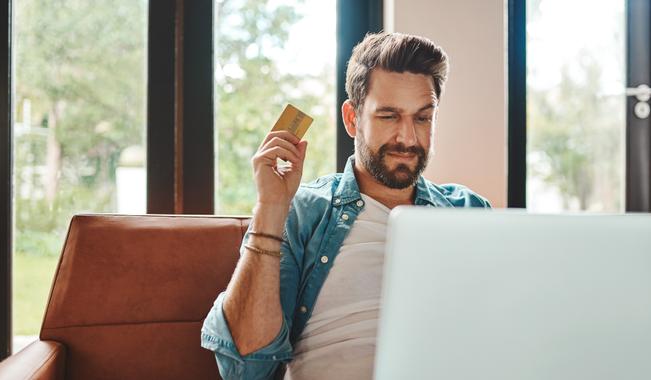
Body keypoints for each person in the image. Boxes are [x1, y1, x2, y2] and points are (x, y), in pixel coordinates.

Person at [201, 32, 491, 380]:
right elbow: (245, 368)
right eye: (389, 116)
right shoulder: (307, 211)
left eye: (422, 118)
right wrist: (270, 206)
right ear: (352, 119)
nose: (408, 138)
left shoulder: (469, 212)